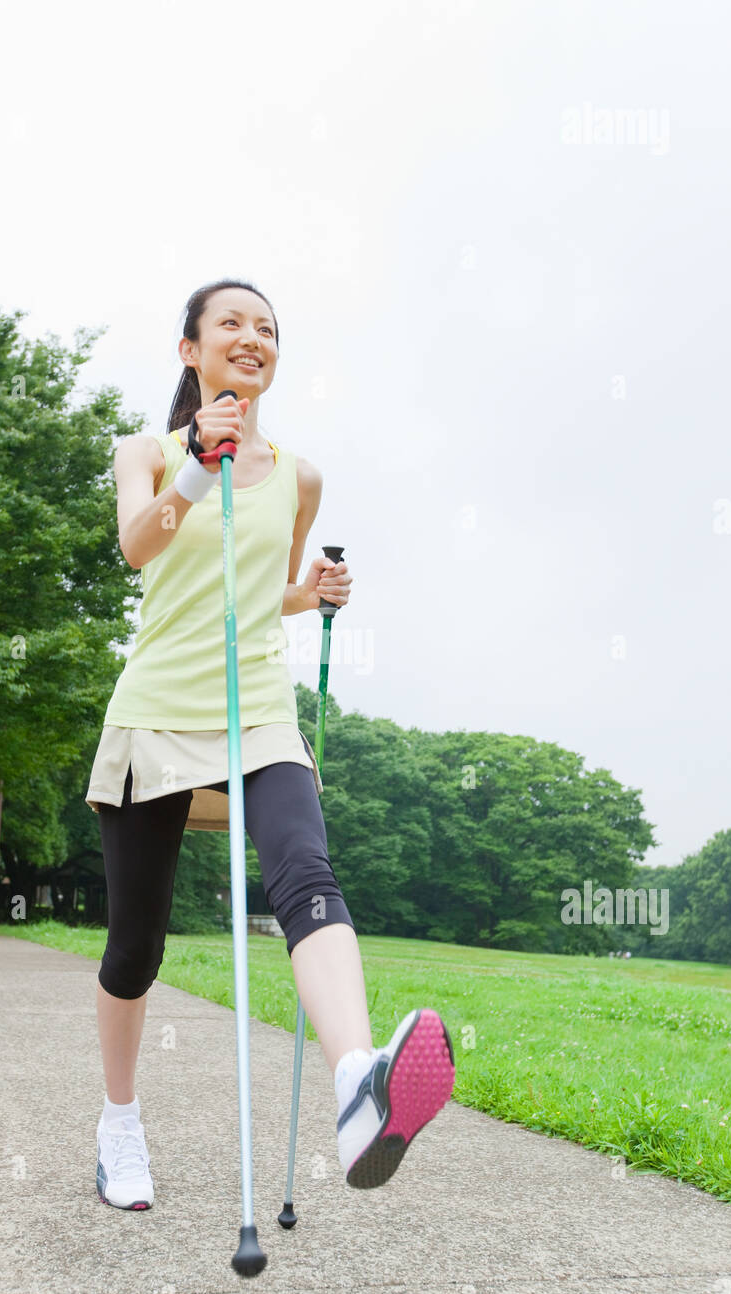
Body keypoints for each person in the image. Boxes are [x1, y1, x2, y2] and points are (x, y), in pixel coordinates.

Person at [85, 278, 455, 1210]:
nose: (252, 339)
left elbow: (262, 593)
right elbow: (141, 546)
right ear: (191, 351)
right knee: (136, 946)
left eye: (267, 329)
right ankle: (118, 1125)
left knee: (306, 871)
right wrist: (199, 470)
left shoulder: (302, 474)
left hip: (260, 711)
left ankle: (356, 1086)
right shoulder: (147, 451)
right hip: (158, 712)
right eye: (232, 326)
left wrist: (314, 592)